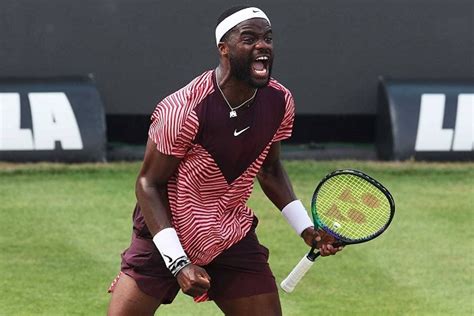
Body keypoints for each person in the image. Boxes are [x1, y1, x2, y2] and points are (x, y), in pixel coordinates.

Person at [107, 6, 343, 316]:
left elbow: (269, 169)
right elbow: (148, 183)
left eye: (268, 38)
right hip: (165, 235)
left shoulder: (280, 101)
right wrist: (177, 262)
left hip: (229, 234)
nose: (263, 46)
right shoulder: (183, 109)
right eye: (249, 38)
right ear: (224, 49)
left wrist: (306, 229)